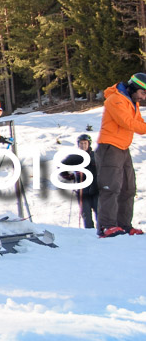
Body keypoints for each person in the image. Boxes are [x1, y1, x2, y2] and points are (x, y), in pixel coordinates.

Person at [94, 73, 146, 237]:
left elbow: (140, 124)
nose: (144, 97)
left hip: (123, 147)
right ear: (134, 88)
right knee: (111, 187)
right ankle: (106, 226)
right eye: (143, 93)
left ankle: (124, 225)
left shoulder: (132, 102)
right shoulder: (115, 99)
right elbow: (127, 123)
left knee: (128, 188)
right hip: (110, 147)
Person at [60, 134, 99, 229]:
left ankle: (101, 233)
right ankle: (90, 234)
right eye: (81, 143)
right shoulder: (75, 157)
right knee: (86, 215)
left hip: (96, 190)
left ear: (89, 144)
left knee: (100, 214)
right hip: (82, 191)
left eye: (85, 143)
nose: (83, 145)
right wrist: (69, 176)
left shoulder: (96, 156)